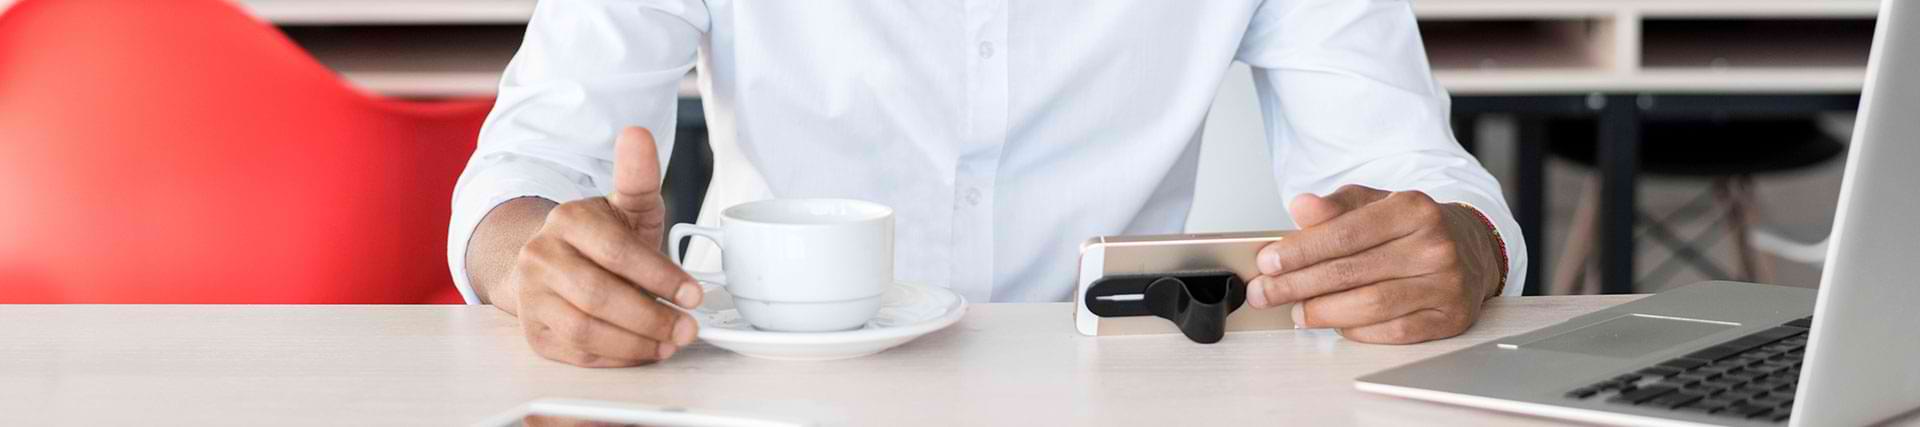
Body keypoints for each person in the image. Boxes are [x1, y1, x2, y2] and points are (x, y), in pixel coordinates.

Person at [450, 0, 1527, 368]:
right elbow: (520, 174)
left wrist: (1461, 246)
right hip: (769, 392)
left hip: (1113, 393)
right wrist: (539, 259)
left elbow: (1408, 175)